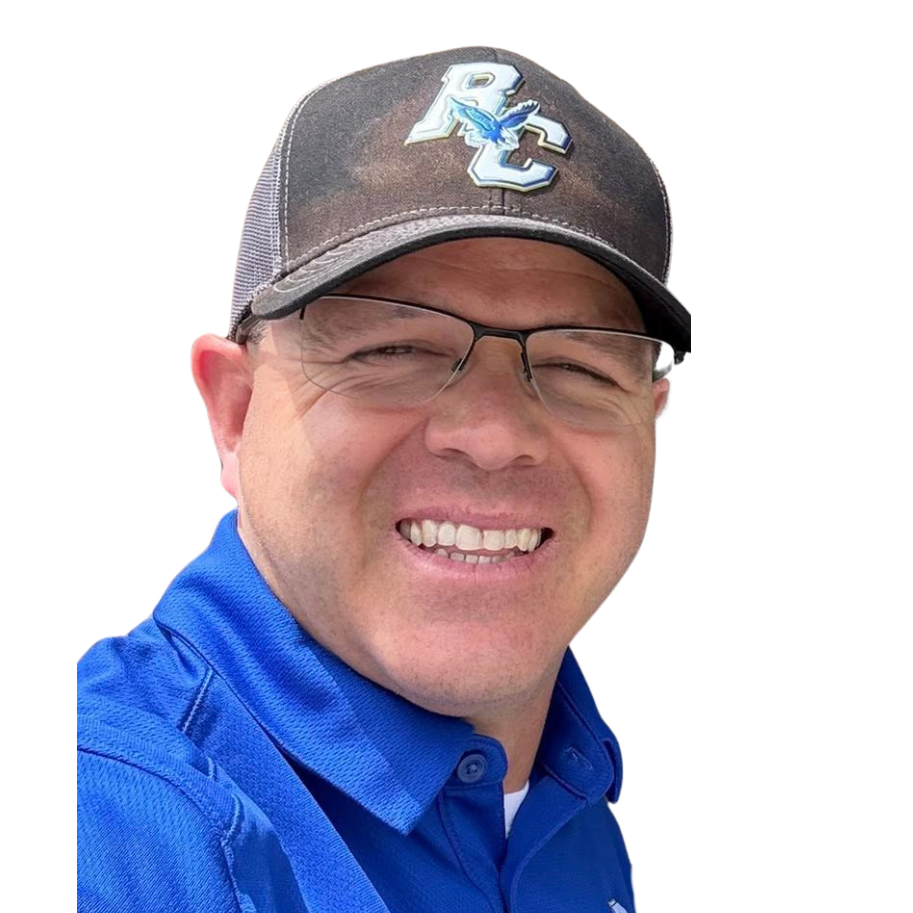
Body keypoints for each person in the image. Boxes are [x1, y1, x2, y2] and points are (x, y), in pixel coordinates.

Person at [77, 46, 691, 913]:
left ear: (647, 413)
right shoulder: (104, 832)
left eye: (576, 365)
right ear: (235, 411)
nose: (492, 433)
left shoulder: (563, 794)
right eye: (394, 350)